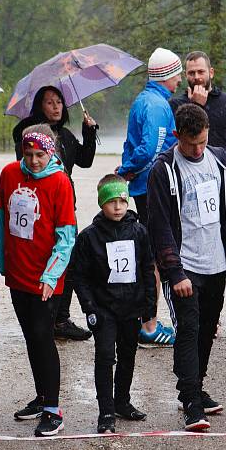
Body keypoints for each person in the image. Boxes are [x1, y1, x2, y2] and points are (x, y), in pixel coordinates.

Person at [147, 103, 226, 431]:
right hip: (184, 266)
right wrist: (174, 272)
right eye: (191, 144)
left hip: (216, 261)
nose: (198, 149)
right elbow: (159, 225)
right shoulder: (163, 170)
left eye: (203, 142)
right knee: (188, 330)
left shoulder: (219, 160)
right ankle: (190, 400)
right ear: (178, 137)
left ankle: (196, 386)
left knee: (208, 328)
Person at [0, 125, 77, 437]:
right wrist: (4, 263)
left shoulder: (59, 181)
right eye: (28, 154)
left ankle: (53, 409)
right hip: (18, 272)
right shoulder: (8, 174)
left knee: (44, 337)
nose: (33, 161)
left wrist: (52, 274)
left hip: (47, 277)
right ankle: (41, 397)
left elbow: (67, 235)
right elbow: (2, 217)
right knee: (31, 337)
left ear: (51, 152)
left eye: (40, 155)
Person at [67, 174, 156, 434]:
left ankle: (122, 401)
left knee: (128, 353)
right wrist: (89, 307)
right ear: (101, 203)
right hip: (103, 309)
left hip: (131, 306)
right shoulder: (89, 237)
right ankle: (106, 410)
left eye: (122, 201)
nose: (117, 207)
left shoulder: (139, 231)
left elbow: (147, 269)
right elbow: (79, 275)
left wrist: (149, 306)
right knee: (105, 356)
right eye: (111, 202)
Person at [170, 51, 226, 334]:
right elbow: (171, 143)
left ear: (211, 72)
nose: (195, 77)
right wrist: (194, 106)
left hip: (222, 184)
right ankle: (207, 318)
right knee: (200, 251)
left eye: (200, 72)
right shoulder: (176, 105)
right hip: (189, 189)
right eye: (190, 73)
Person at [13, 85, 97, 342]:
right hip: (37, 205)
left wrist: (89, 132)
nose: (56, 106)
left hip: (64, 201)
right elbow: (23, 157)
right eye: (49, 102)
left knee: (68, 258)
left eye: (59, 101)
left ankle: (61, 317)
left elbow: (85, 160)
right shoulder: (29, 136)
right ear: (40, 106)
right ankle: (45, 313)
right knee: (43, 256)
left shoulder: (67, 136)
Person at [118, 47, 182, 347]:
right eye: (177, 74)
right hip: (148, 187)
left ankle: (148, 321)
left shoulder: (147, 99)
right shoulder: (157, 105)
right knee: (153, 259)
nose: (180, 80)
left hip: (142, 184)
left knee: (150, 256)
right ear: (167, 74)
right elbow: (152, 148)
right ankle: (149, 324)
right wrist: (127, 170)